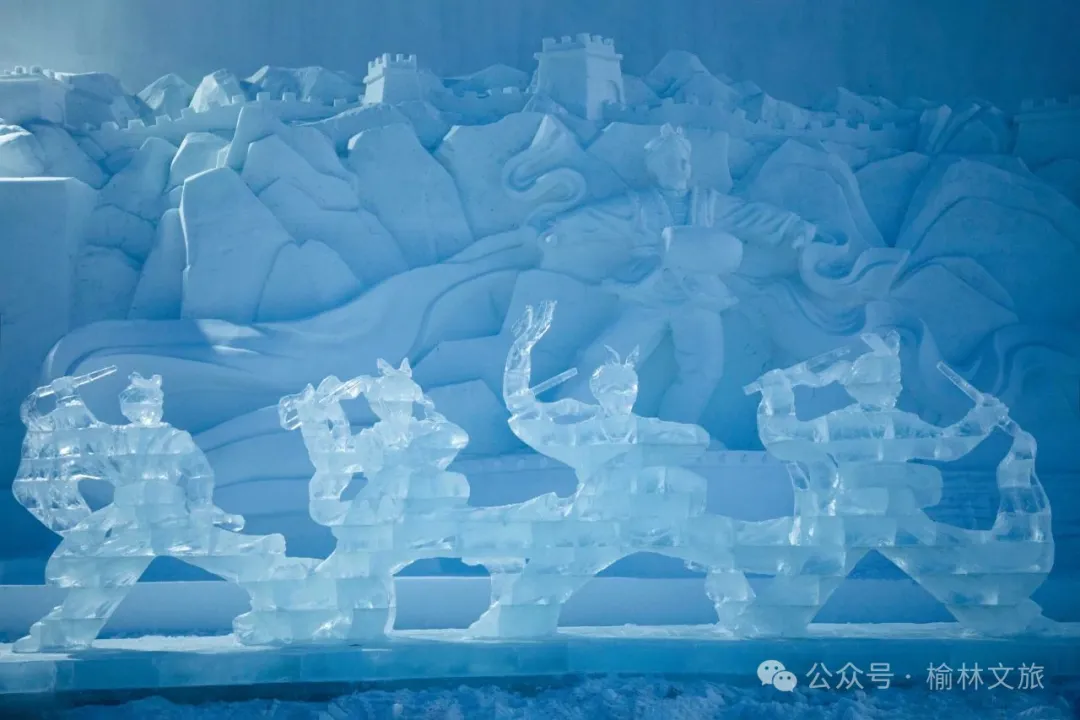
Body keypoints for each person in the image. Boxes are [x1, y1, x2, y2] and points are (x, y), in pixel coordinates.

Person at [538, 124, 817, 425]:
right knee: (609, 356)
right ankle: (568, 417)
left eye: (684, 161)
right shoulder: (640, 205)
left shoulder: (708, 203)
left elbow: (748, 216)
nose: (681, 168)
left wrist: (793, 227)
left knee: (704, 369)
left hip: (698, 295)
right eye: (671, 161)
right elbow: (601, 217)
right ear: (655, 168)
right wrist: (560, 229)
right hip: (650, 292)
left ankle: (677, 430)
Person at [468, 301, 717, 638]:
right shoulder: (583, 436)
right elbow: (523, 408)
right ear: (599, 393)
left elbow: (697, 439)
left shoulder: (648, 430)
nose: (622, 398)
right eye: (613, 390)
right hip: (591, 525)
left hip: (644, 519)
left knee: (721, 548)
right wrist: (521, 351)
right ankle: (510, 627)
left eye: (628, 390)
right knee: (531, 598)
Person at [739, 332, 1010, 636]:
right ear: (865, 386)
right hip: (865, 511)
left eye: (896, 382)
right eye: (890, 382)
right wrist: (983, 417)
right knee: (935, 566)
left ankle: (770, 620)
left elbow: (782, 434)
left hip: (878, 512)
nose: (896, 389)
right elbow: (947, 445)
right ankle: (996, 617)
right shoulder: (866, 423)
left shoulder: (864, 423)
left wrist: (777, 394)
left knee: (936, 565)